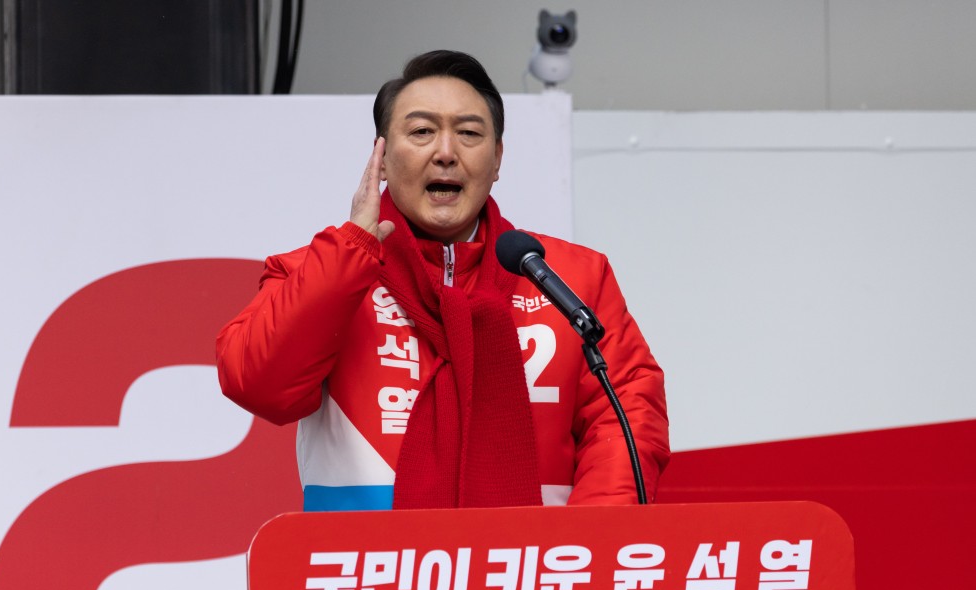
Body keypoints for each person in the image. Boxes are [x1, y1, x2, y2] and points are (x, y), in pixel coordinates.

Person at [216, 50, 669, 511]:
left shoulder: (568, 279)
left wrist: (586, 543)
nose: (446, 153)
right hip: (365, 558)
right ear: (381, 157)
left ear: (497, 159)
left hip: (532, 557)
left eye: (469, 133)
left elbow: (627, 420)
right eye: (422, 132)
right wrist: (350, 252)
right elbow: (258, 385)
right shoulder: (319, 273)